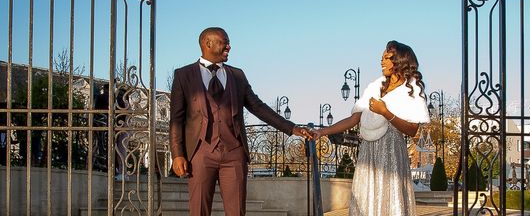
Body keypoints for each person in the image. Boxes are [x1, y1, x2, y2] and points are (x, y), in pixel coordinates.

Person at [169, 27, 312, 216]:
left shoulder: (237, 75)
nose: (229, 46)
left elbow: (258, 107)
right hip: (200, 153)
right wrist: (177, 154)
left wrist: (292, 128)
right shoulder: (183, 75)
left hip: (234, 153)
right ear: (207, 43)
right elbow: (176, 119)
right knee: (198, 211)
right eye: (224, 42)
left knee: (237, 211)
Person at [311, 40, 430, 216]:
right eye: (381, 57)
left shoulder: (411, 89)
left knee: (390, 199)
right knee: (366, 198)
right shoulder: (375, 86)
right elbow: (353, 119)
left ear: (400, 60)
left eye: (387, 57)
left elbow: (413, 130)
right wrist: (322, 132)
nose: (382, 61)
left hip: (391, 152)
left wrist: (385, 112)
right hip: (368, 150)